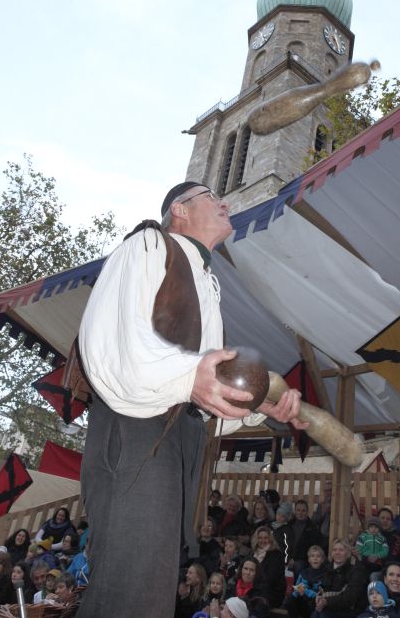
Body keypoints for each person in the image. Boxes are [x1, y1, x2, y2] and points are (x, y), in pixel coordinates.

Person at [77, 182, 307, 618]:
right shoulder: (149, 244)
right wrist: (189, 377)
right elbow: (115, 338)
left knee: (151, 587)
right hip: (137, 427)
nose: (225, 203)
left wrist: (255, 406)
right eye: (211, 197)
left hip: (176, 438)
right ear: (179, 210)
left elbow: (200, 392)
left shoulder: (207, 283)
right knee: (134, 591)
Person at [310, 538, 367, 618]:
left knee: (323, 615)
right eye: (335, 550)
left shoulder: (356, 570)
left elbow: (349, 597)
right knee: (315, 613)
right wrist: (318, 596)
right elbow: (322, 588)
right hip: (329, 606)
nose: (337, 552)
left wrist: (326, 601)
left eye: (341, 550)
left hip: (349, 609)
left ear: (347, 553)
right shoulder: (328, 568)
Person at [275, 500, 323, 576]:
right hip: (286, 556)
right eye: (298, 510)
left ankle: (298, 584)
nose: (300, 513)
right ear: (295, 511)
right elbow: (282, 542)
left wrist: (293, 559)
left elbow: (310, 549)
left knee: (298, 565)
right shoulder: (289, 524)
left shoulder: (312, 529)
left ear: (307, 512)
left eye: (303, 511)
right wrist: (287, 558)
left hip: (302, 559)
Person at [285, 544, 329, 618]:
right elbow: (297, 586)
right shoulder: (303, 572)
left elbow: (322, 593)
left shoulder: (325, 575)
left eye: (318, 556)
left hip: (315, 601)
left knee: (312, 603)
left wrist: (306, 592)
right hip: (302, 599)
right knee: (290, 601)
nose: (315, 558)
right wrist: (295, 594)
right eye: (312, 556)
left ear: (322, 560)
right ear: (309, 559)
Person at [250, 526, 286, 608]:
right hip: (255, 588)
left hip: (272, 592)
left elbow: (271, 579)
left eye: (265, 538)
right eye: (260, 538)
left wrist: (253, 584)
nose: (263, 540)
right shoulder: (252, 553)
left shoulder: (276, 554)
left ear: (270, 539)